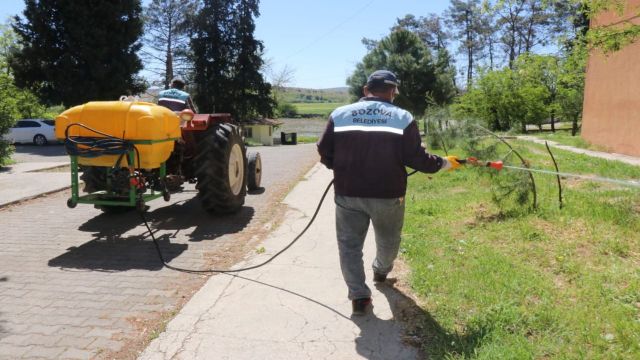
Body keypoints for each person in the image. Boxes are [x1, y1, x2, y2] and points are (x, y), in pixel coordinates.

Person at [317, 70, 461, 316]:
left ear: (366, 90)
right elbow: (416, 158)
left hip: (348, 194)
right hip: (388, 195)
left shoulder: (339, 114)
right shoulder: (402, 117)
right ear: (393, 92)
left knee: (349, 247)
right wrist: (443, 163)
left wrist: (340, 168)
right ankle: (381, 270)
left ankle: (359, 297)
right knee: (388, 241)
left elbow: (324, 150)